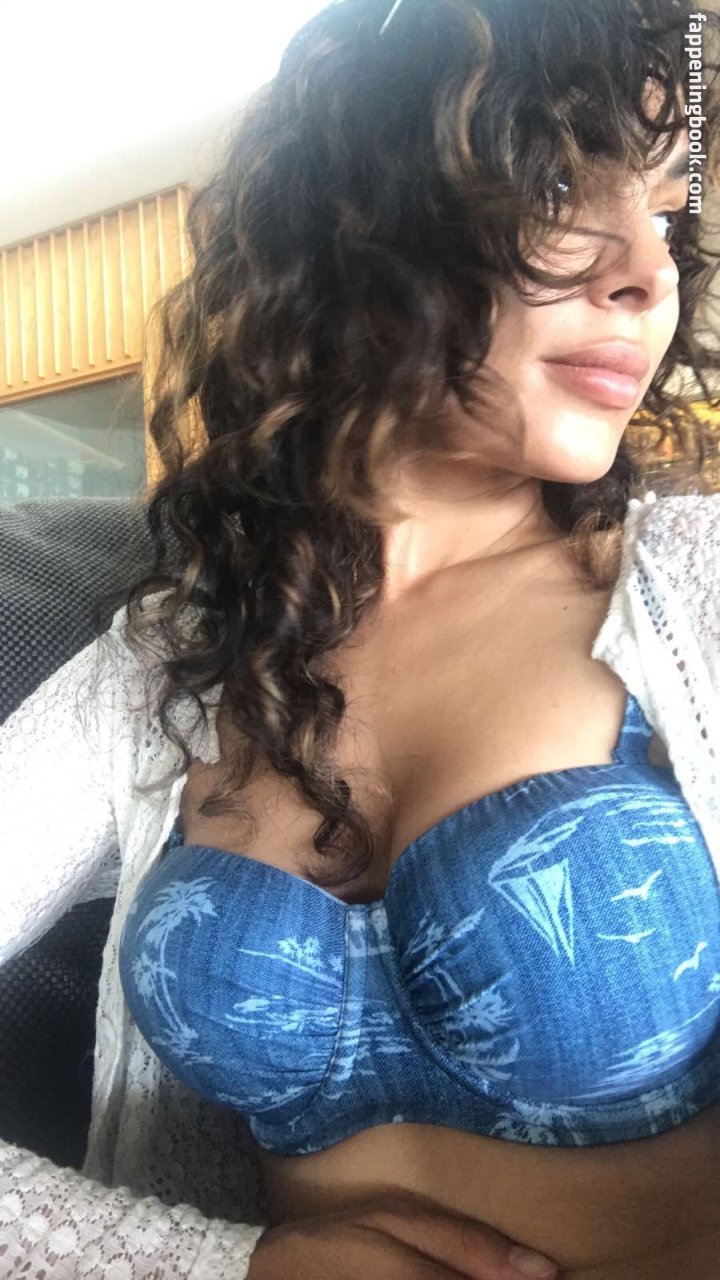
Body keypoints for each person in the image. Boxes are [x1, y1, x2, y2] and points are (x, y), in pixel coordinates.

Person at [2, 0, 720, 1276]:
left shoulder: (695, 584)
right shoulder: (165, 663)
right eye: (562, 188)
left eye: (667, 218)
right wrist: (209, 1263)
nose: (646, 275)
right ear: (356, 224)